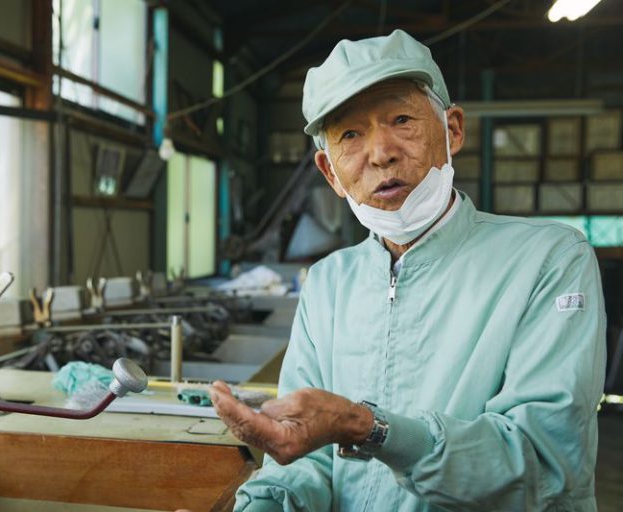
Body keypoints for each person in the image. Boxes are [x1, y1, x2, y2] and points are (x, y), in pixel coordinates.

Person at [208, 29, 607, 511]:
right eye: (350, 134)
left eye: (401, 119)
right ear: (330, 172)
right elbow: (305, 464)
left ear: (453, 130)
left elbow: (545, 465)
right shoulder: (330, 284)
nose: (380, 152)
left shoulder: (549, 259)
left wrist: (370, 429)